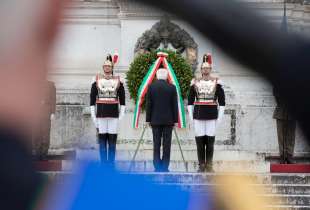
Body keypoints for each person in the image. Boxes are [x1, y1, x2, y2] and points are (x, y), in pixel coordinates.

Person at [188, 54, 225, 172]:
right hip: (198, 115)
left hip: (211, 115)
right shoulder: (194, 83)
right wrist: (191, 116)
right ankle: (201, 165)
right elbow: (190, 102)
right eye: (203, 68)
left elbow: (222, 102)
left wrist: (219, 118)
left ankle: (209, 165)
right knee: (199, 141)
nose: (205, 70)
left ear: (210, 69)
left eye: (207, 68)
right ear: (201, 70)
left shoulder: (217, 83)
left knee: (210, 141)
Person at [90, 55, 126, 165]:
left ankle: (110, 164)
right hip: (100, 114)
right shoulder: (96, 80)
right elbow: (92, 99)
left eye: (108, 66)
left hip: (113, 114)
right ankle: (103, 164)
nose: (106, 68)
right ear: (102, 67)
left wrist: (122, 113)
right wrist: (93, 115)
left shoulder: (119, 81)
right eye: (105, 66)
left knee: (112, 141)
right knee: (102, 141)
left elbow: (122, 99)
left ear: (112, 68)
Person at [146, 68, 178, 172]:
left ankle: (157, 166)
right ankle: (164, 166)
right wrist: (176, 120)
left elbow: (149, 104)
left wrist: (148, 119)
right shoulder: (172, 87)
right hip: (169, 121)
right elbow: (174, 105)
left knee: (156, 144)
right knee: (166, 144)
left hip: (155, 120)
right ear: (166, 76)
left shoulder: (151, 87)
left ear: (157, 75)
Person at [33, 80, 56, 160]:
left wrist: (53, 113)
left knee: (45, 134)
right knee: (36, 134)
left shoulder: (50, 85)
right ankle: (37, 153)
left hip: (46, 113)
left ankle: (44, 154)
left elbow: (53, 99)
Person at [273, 88, 296, 164]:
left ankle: (289, 156)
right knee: (281, 136)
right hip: (281, 110)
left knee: (291, 136)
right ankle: (282, 156)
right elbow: (275, 92)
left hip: (292, 111)